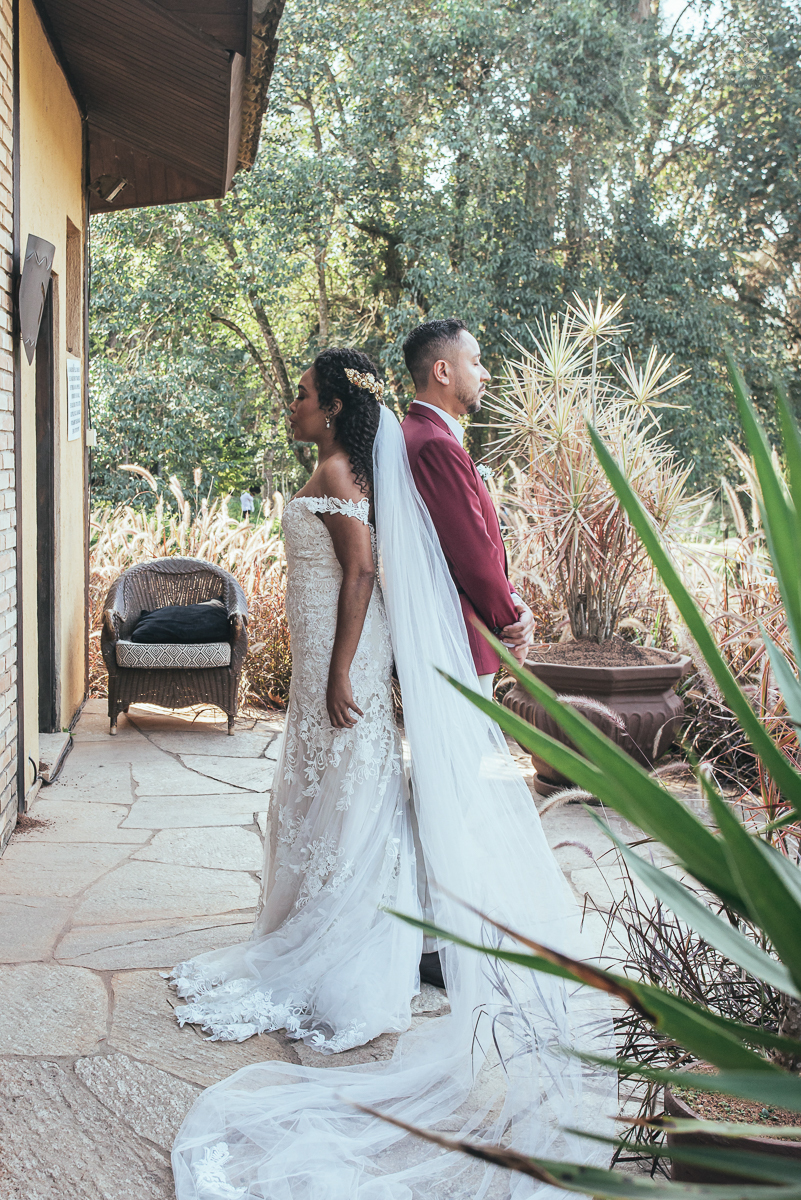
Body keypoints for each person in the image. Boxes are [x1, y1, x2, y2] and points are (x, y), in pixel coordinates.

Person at [169, 348, 614, 1200]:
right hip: (318, 661)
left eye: (300, 396)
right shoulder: (336, 462)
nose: (290, 406)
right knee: (323, 789)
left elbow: (364, 568)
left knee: (353, 790)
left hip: (342, 661)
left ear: (332, 407)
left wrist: (339, 671)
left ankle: (364, 940)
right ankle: (340, 918)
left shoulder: (341, 469)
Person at [402, 318, 534, 695]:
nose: (486, 374)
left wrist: (513, 600)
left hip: (453, 632)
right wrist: (513, 626)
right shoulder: (434, 445)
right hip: (459, 635)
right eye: (476, 362)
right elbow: (472, 554)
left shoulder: (422, 434)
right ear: (442, 371)